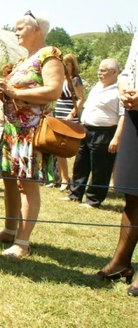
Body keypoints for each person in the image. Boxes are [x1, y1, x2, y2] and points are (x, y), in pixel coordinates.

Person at [0, 11, 63, 258]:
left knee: (26, 184)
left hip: (31, 131)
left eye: (20, 28)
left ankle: (22, 242)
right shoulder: (25, 59)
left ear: (37, 29)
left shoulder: (49, 55)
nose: (16, 31)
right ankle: (10, 230)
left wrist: (16, 93)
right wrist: (4, 92)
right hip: (13, 131)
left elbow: (53, 91)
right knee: (10, 180)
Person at [91, 32, 138, 296]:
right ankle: (121, 262)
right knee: (132, 194)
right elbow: (128, 70)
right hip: (135, 114)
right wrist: (124, 89)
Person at [62, 59, 123, 208]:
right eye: (99, 70)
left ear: (113, 72)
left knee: (100, 168)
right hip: (87, 129)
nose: (99, 73)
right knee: (80, 163)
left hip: (105, 132)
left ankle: (93, 199)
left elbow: (123, 115)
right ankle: (74, 194)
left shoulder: (119, 90)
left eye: (103, 70)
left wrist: (116, 138)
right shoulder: (97, 86)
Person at [53, 53, 85, 190]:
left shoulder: (75, 80)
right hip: (58, 114)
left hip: (69, 115)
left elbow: (81, 98)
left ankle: (69, 179)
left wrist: (72, 114)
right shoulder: (61, 79)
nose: (64, 67)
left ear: (72, 65)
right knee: (57, 147)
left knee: (68, 147)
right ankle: (62, 178)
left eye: (66, 64)